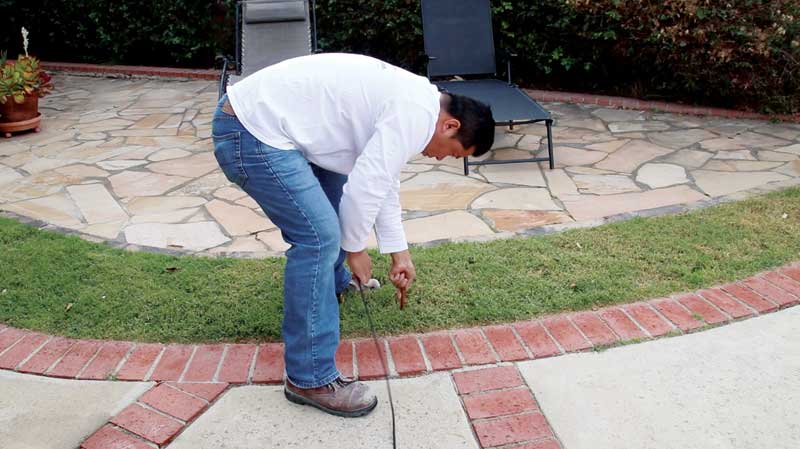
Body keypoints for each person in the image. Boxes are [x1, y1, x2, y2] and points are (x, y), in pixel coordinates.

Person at [212, 53, 494, 417]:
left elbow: (383, 180)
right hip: (250, 131)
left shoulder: (420, 104)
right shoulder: (414, 113)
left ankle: (334, 285)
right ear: (451, 126)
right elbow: (366, 187)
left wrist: (398, 251)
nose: (442, 160)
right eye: (454, 155)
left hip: (270, 124)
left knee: (333, 208)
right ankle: (310, 377)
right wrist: (354, 249)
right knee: (319, 239)